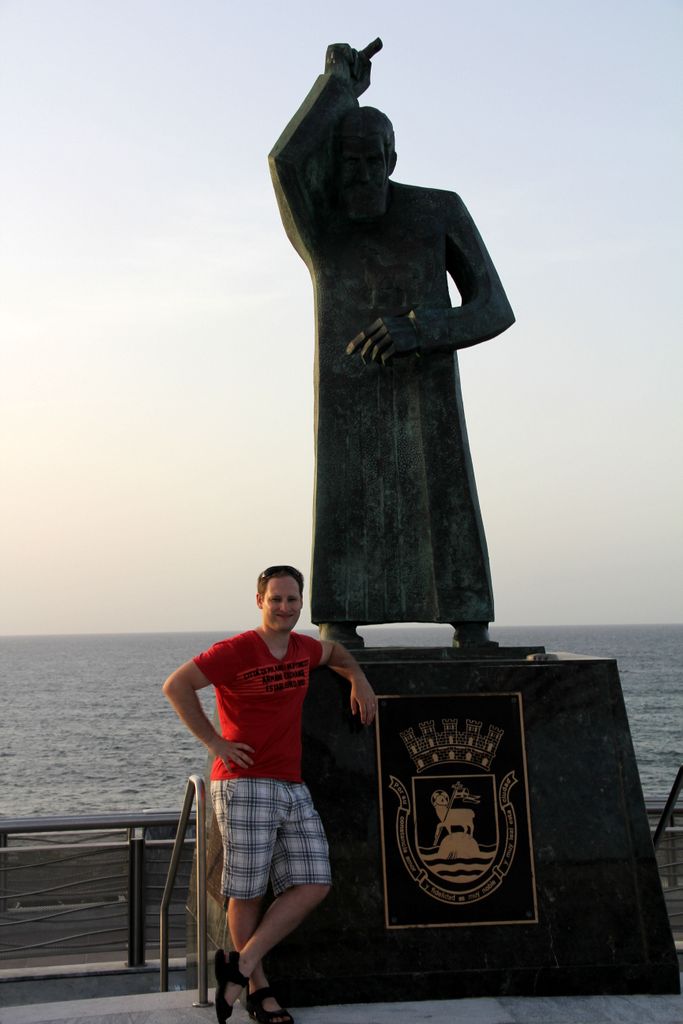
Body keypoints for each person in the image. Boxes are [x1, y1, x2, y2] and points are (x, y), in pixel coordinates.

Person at [269, 42, 515, 649]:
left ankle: (468, 620)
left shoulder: (436, 211)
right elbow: (284, 161)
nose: (360, 173)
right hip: (349, 402)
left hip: (426, 395)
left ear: (392, 158)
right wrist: (337, 87)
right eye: (347, 161)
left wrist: (422, 329)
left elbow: (494, 307)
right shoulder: (324, 229)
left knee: (445, 498)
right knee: (348, 504)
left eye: (371, 160)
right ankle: (341, 619)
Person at [162, 565, 376, 1024]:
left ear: (301, 603)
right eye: (275, 599)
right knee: (247, 892)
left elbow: (336, 651)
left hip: (290, 783)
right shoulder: (237, 649)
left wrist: (358, 679)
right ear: (260, 601)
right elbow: (176, 685)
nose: (284, 607)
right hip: (243, 783)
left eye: (292, 600)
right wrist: (215, 742)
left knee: (314, 882)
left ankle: (238, 966)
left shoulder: (303, 648)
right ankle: (260, 991)